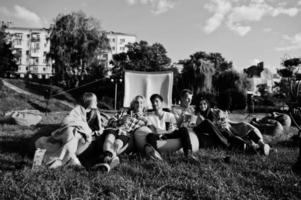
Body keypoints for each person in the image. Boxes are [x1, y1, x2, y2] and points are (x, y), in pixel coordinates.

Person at [35, 92, 104, 168]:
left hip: (84, 136)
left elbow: (98, 128)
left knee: (71, 137)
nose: (97, 102)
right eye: (95, 100)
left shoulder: (95, 113)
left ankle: (67, 160)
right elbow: (67, 121)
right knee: (70, 133)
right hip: (73, 132)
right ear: (89, 101)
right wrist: (78, 126)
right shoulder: (78, 110)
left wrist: (87, 130)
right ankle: (72, 161)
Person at [94, 95, 149, 171]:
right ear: (133, 104)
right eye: (137, 102)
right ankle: (109, 161)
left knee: (117, 144)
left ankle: (105, 161)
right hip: (114, 129)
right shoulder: (124, 112)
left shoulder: (145, 119)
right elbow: (110, 121)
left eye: (141, 103)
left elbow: (148, 130)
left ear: (144, 106)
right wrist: (120, 121)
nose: (139, 104)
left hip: (125, 134)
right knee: (109, 138)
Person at [145, 93, 195, 161]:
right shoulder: (149, 116)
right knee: (150, 136)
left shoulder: (169, 115)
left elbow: (173, 128)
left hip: (169, 134)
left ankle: (188, 154)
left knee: (183, 129)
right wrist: (164, 131)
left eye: (156, 101)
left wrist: (172, 128)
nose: (154, 103)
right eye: (153, 102)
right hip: (158, 136)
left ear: (162, 103)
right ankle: (156, 156)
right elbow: (153, 130)